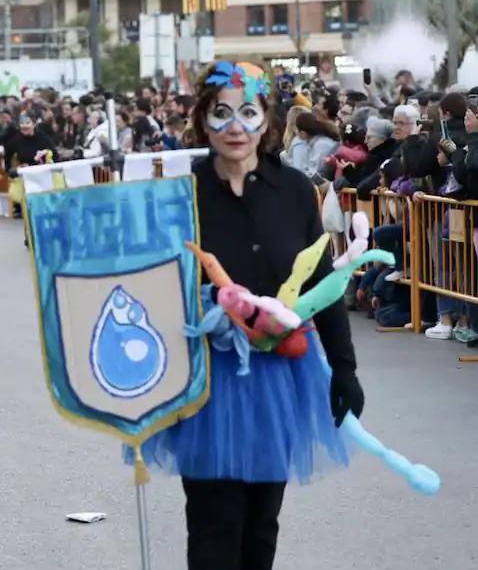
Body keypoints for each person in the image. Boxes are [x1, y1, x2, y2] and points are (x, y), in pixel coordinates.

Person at [139, 61, 363, 570]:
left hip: (281, 374)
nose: (235, 126)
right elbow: (151, 286)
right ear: (202, 121)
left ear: (265, 120)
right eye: (221, 114)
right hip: (207, 381)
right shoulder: (182, 194)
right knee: (215, 523)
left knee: (262, 525)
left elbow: (320, 281)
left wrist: (344, 368)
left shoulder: (292, 190)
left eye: (247, 112)